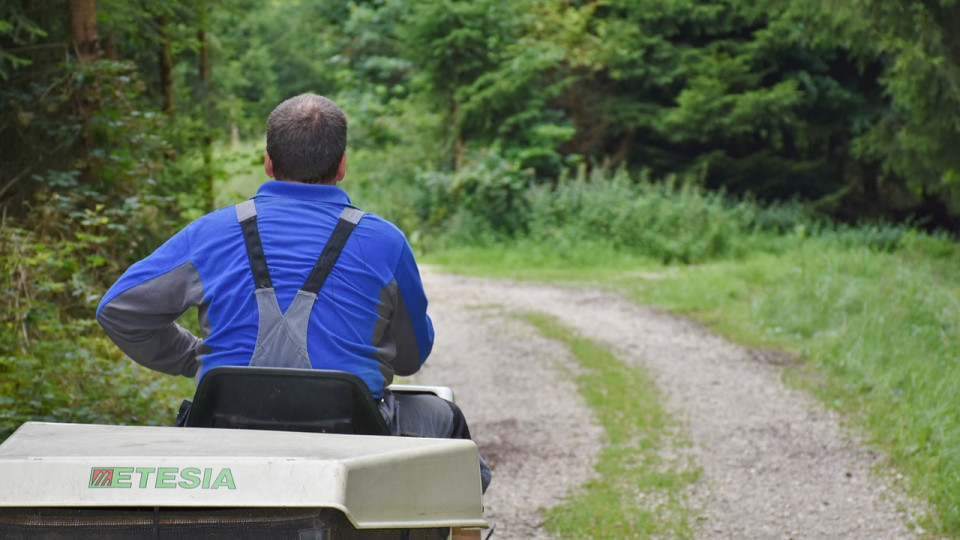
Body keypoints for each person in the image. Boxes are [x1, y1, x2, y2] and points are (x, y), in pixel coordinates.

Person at [97, 93, 490, 493]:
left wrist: (193, 358)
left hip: (222, 429)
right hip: (353, 438)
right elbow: (409, 359)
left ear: (268, 162)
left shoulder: (210, 233)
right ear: (341, 166)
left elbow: (119, 310)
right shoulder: (386, 242)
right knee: (447, 418)